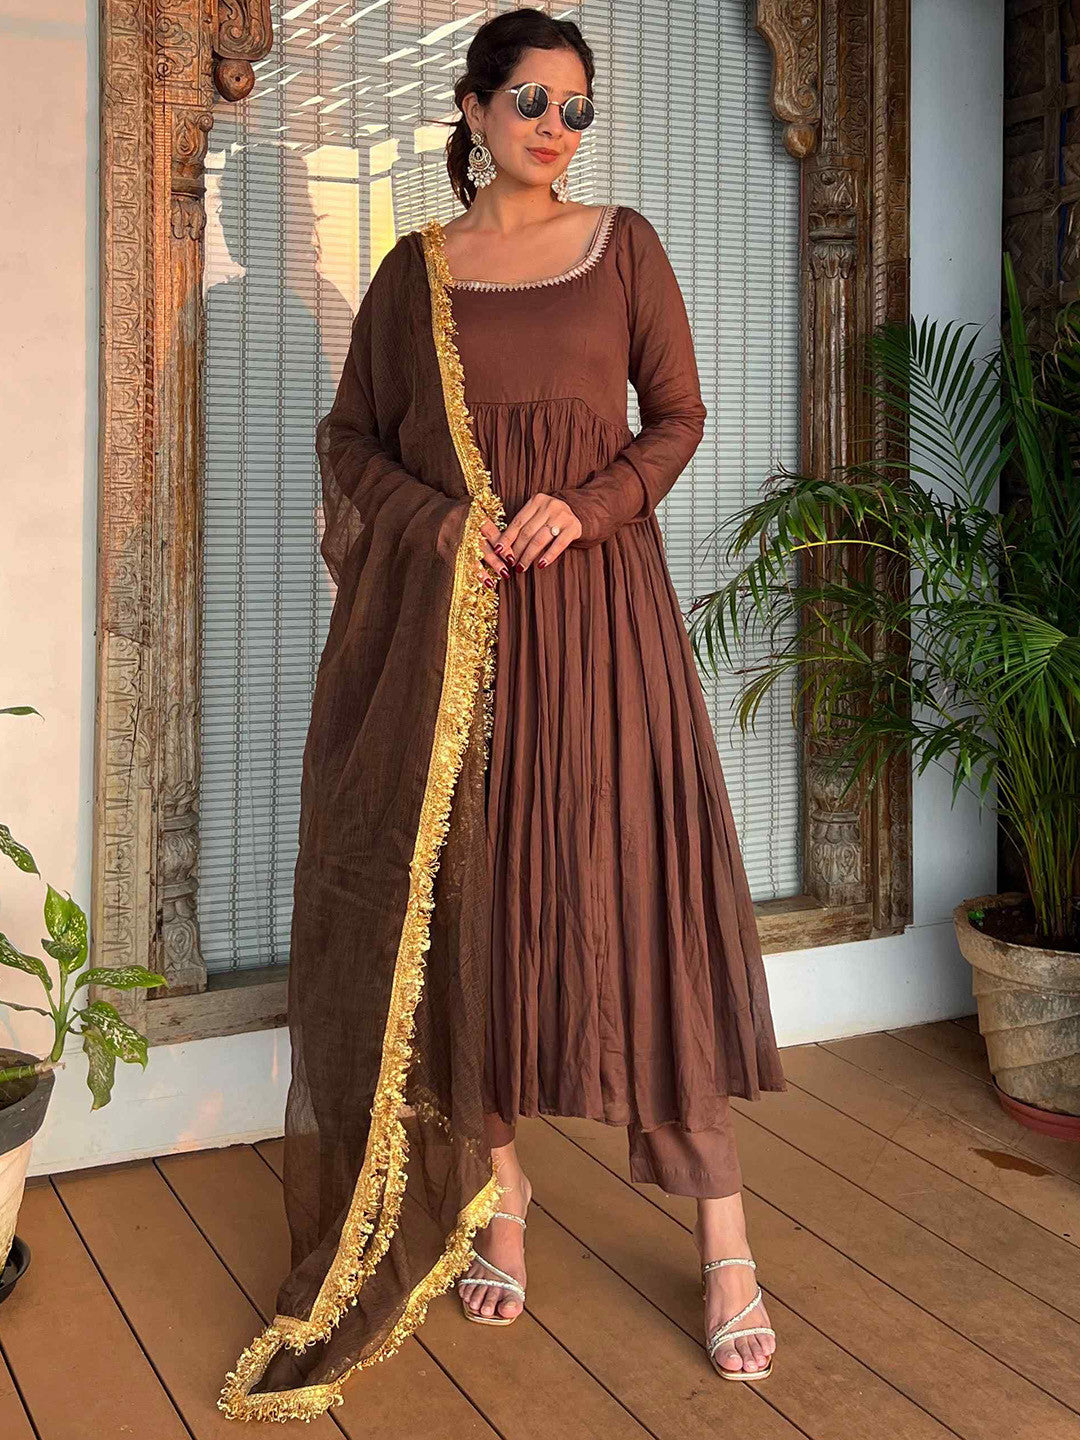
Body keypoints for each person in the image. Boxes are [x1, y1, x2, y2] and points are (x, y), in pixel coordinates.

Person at [218, 7, 784, 1425]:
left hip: (604, 628)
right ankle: (503, 1198)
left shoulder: (624, 245)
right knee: (480, 908)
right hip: (459, 645)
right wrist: (443, 522)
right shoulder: (414, 275)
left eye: (577, 107)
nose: (555, 127)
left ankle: (726, 1243)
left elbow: (677, 417)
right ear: (472, 111)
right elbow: (352, 441)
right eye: (531, 100)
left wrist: (583, 509)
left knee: (636, 904)